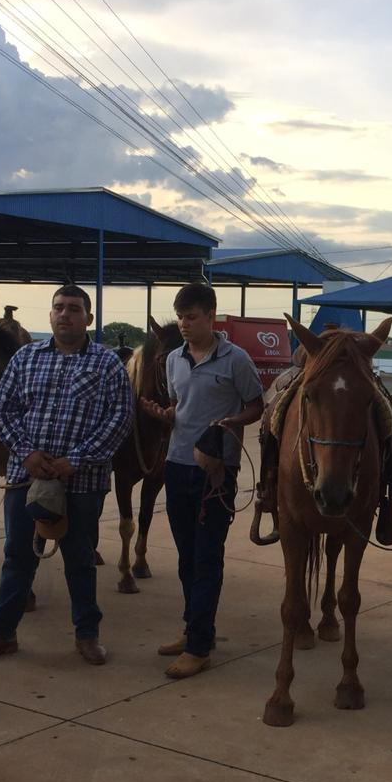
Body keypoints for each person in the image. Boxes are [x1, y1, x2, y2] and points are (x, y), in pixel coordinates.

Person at [0, 285, 131, 667]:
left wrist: (77, 459)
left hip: (82, 482)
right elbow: (1, 409)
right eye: (59, 308)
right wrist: (27, 453)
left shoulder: (107, 364)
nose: (65, 314)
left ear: (89, 318)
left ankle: (87, 635)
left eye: (74, 308)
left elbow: (119, 418)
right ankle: (1, 634)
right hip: (27, 479)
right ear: (50, 315)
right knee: (17, 557)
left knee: (80, 559)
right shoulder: (25, 358)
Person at [139, 283, 263, 680]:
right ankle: (194, 628)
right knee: (186, 557)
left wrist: (229, 422)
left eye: (191, 317)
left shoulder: (236, 359)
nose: (184, 324)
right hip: (177, 465)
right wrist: (167, 415)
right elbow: (180, 405)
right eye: (180, 318)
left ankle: (198, 647)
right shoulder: (174, 359)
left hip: (216, 472)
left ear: (211, 316)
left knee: (207, 557)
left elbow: (256, 405)